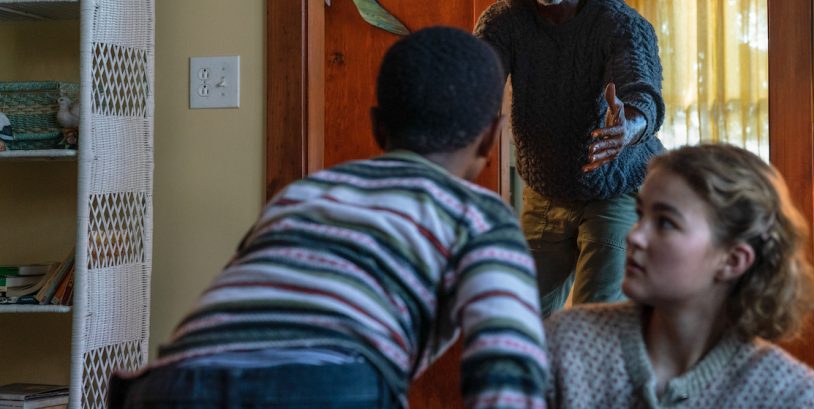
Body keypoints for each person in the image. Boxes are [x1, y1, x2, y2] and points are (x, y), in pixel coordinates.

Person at [108, 27, 548, 409]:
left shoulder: (304, 192)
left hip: (170, 382)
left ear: (377, 128)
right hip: (326, 381)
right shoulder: (479, 213)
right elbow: (507, 359)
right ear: (492, 137)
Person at [544, 143, 814, 408]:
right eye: (640, 215)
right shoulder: (567, 343)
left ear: (733, 260)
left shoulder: (792, 396)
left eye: (666, 223)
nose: (635, 236)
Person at [474, 0, 665, 316]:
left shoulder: (619, 24)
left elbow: (640, 92)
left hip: (614, 185)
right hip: (545, 191)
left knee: (595, 315)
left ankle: (598, 380)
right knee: (521, 317)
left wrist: (628, 125)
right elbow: (477, 81)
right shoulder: (505, 21)